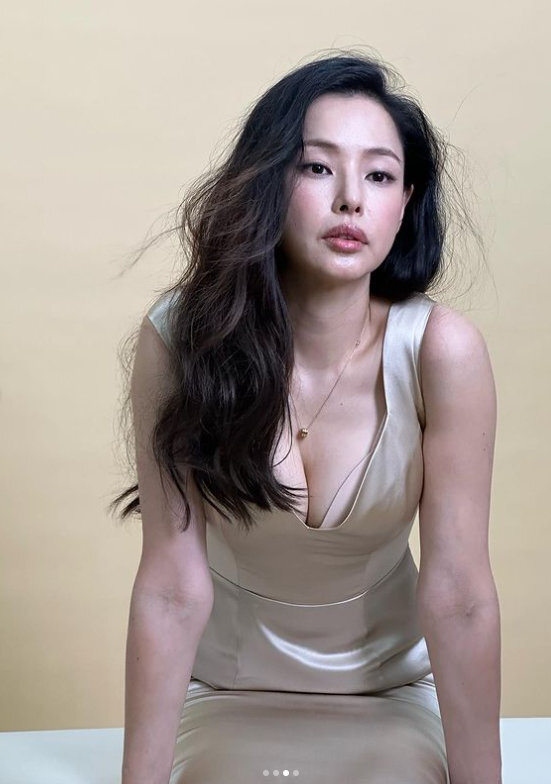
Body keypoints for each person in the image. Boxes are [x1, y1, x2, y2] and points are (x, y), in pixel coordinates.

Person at [111, 51, 502, 784]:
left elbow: (459, 594)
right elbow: (171, 586)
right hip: (227, 693)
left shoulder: (441, 352)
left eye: (379, 176)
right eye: (318, 167)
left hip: (387, 697)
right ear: (267, 182)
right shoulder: (181, 339)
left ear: (406, 201)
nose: (350, 200)